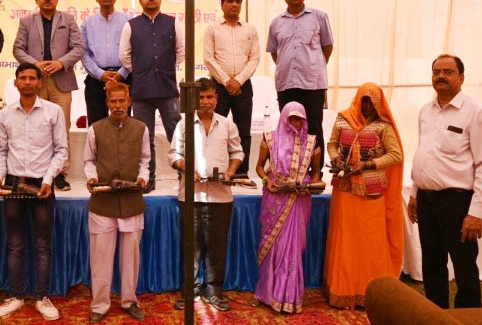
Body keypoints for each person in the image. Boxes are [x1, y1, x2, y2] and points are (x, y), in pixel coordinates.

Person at [408, 55, 482, 309]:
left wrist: (477, 213)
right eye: (436, 72)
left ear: (461, 77)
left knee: (464, 268)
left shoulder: (477, 113)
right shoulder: (426, 111)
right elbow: (424, 153)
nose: (441, 76)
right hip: (427, 201)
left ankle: (468, 319)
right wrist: (415, 194)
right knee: (432, 265)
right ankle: (436, 315)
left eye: (448, 72)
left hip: (457, 203)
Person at [0, 63, 67, 320]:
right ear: (15, 82)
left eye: (32, 78)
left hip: (42, 185)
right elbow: (2, 153)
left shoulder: (54, 111)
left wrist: (48, 180)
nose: (27, 82)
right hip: (12, 185)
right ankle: (16, 296)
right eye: (22, 78)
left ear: (40, 82)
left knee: (43, 245)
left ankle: (42, 298)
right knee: (14, 244)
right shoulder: (6, 114)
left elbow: (61, 151)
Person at [324, 83, 403, 309]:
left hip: (372, 192)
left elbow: (396, 155)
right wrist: (336, 158)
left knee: (369, 242)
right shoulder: (343, 119)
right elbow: (331, 144)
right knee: (345, 240)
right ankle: (342, 290)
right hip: (345, 190)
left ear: (379, 104)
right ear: (358, 100)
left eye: (372, 102)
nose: (367, 106)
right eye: (364, 101)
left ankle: (370, 292)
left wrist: (369, 164)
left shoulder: (383, 126)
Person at [168, 78, 243, 312]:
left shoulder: (227, 124)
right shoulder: (184, 124)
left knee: (217, 249)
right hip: (191, 197)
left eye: (210, 97)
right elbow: (173, 155)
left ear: (217, 99)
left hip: (221, 197)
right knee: (191, 248)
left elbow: (237, 152)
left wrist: (230, 172)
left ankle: (213, 292)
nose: (206, 102)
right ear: (193, 99)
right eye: (201, 97)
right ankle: (189, 292)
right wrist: (187, 169)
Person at [85, 81, 149, 323]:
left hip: (132, 201)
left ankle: (129, 301)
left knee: (131, 257)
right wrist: (92, 178)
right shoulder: (96, 129)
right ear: (107, 103)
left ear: (129, 101)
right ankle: (100, 305)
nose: (118, 105)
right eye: (114, 101)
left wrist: (143, 178)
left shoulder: (141, 128)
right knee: (100, 257)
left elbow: (145, 160)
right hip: (102, 202)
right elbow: (88, 161)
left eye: (122, 100)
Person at [14, 0, 83, 191]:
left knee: (62, 127)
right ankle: (37, 172)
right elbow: (18, 49)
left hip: (62, 80)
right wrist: (35, 65)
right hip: (36, 81)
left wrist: (60, 63)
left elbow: (78, 48)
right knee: (35, 126)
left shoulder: (68, 19)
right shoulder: (26, 21)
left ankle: (60, 173)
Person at [254, 101, 322, 313]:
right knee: (273, 245)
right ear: (284, 117)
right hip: (275, 198)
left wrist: (311, 185)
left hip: (299, 200)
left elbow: (316, 172)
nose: (295, 123)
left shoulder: (312, 142)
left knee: (293, 248)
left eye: (299, 119)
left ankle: (289, 296)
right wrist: (267, 181)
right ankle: (268, 294)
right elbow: (259, 167)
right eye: (291, 118)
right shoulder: (270, 138)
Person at [119, 0, 184, 193]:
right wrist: (141, 70)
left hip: (168, 89)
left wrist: (165, 68)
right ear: (140, 0)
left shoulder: (174, 23)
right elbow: (124, 55)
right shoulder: (131, 25)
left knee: (176, 134)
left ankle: (184, 177)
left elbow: (181, 51)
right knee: (144, 138)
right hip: (141, 91)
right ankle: (148, 179)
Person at [266, 0, 333, 165]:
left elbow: (327, 47)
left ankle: (315, 172)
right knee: (288, 128)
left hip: (312, 83)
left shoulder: (319, 17)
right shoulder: (276, 23)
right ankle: (290, 170)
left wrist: (314, 66)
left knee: (313, 128)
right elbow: (275, 52)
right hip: (286, 83)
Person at [204, 0, 260, 178]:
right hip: (219, 87)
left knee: (243, 131)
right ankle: (216, 170)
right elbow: (208, 58)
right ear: (222, 5)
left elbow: (254, 58)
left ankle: (241, 173)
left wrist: (239, 81)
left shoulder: (250, 30)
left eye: (237, 1)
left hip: (243, 86)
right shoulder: (212, 29)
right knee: (215, 129)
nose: (234, 4)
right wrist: (227, 81)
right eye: (230, 1)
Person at [81, 0, 132, 125]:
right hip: (96, 80)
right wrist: (100, 74)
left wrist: (121, 73)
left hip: (124, 78)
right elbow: (83, 52)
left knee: (124, 125)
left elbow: (134, 50)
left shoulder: (128, 21)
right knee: (96, 125)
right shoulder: (87, 23)